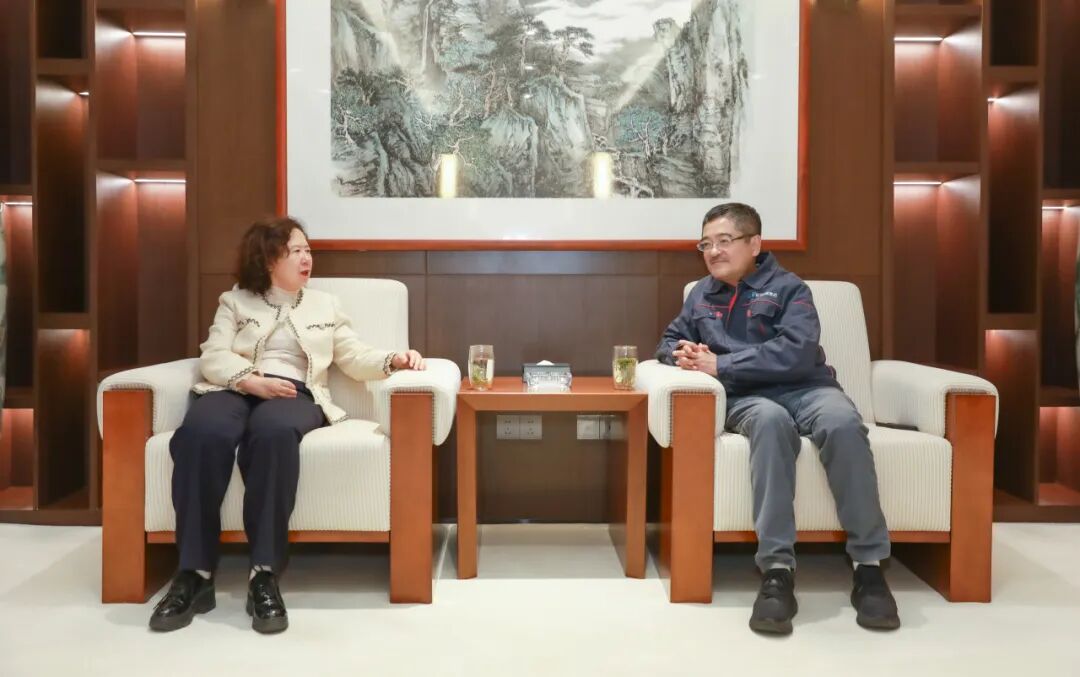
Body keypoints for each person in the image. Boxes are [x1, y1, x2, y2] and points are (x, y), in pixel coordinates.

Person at [149, 217, 425, 634]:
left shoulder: (326, 305)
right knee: (200, 435)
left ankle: (263, 573)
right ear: (268, 259)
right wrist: (249, 380)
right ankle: (194, 573)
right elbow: (213, 355)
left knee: (274, 435)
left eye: (307, 250)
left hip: (294, 393)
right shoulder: (235, 301)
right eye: (295, 251)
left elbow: (352, 356)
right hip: (234, 387)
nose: (306, 257)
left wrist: (393, 359)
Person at [655, 203, 900, 635]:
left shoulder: (789, 288)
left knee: (843, 423)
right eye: (706, 244)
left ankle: (869, 567)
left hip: (808, 387)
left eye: (724, 241)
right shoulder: (701, 294)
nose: (713, 251)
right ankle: (777, 572)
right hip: (748, 398)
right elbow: (668, 340)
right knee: (770, 424)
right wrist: (683, 354)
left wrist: (722, 364)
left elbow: (798, 351)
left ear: (754, 244)